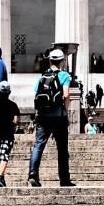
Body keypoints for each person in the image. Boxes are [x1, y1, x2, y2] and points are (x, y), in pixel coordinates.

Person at [29, 49, 74, 187]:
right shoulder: (64, 75)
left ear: (49, 60)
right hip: (58, 116)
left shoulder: (42, 76)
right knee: (62, 148)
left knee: (38, 145)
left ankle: (33, 173)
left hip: (43, 116)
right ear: (62, 61)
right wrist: (65, 111)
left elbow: (36, 95)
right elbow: (66, 95)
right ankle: (64, 179)